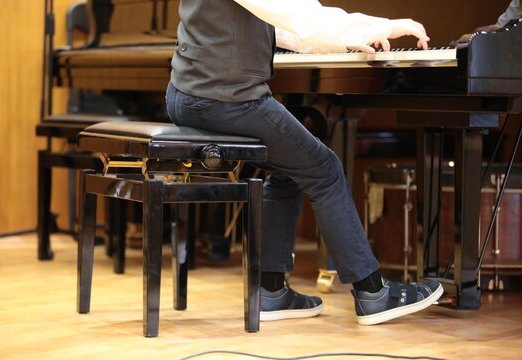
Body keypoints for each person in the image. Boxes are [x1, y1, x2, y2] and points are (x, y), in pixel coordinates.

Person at [165, 0, 443, 325]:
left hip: (188, 94)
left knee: (292, 169)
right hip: (224, 99)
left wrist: (340, 38)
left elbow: (271, 21)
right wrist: (385, 26)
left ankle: (271, 291)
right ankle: (373, 292)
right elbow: (300, 14)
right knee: (325, 169)